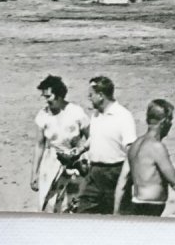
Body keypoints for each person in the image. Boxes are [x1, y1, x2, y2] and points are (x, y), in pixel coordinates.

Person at [114, 99, 175, 216]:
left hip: (136, 204)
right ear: (164, 122)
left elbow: (122, 182)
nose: (171, 125)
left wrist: (116, 213)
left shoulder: (135, 145)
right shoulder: (157, 147)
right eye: (170, 120)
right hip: (150, 208)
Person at [77, 76, 137, 215]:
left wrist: (125, 179)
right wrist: (81, 150)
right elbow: (96, 137)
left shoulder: (123, 116)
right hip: (94, 172)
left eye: (91, 95)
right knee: (83, 212)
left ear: (101, 95)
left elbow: (131, 149)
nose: (89, 98)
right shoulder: (96, 114)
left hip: (114, 173)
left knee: (115, 215)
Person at [31, 75, 90, 212]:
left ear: (59, 95)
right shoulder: (42, 115)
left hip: (75, 164)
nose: (46, 100)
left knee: (72, 205)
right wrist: (34, 173)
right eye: (44, 96)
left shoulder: (76, 112)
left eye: (49, 96)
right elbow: (39, 145)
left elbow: (92, 137)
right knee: (48, 204)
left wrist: (84, 158)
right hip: (50, 162)